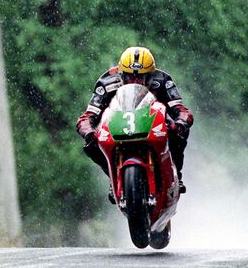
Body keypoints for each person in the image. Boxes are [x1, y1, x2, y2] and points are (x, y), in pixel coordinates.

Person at [76, 46, 194, 201]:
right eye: (130, 77)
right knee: (91, 145)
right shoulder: (106, 83)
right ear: (121, 74)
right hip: (117, 124)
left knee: (179, 133)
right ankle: (113, 178)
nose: (136, 81)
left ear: (151, 76)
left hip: (153, 122)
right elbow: (88, 116)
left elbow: (181, 110)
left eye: (141, 78)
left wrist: (180, 123)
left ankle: (176, 174)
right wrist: (89, 132)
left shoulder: (163, 80)